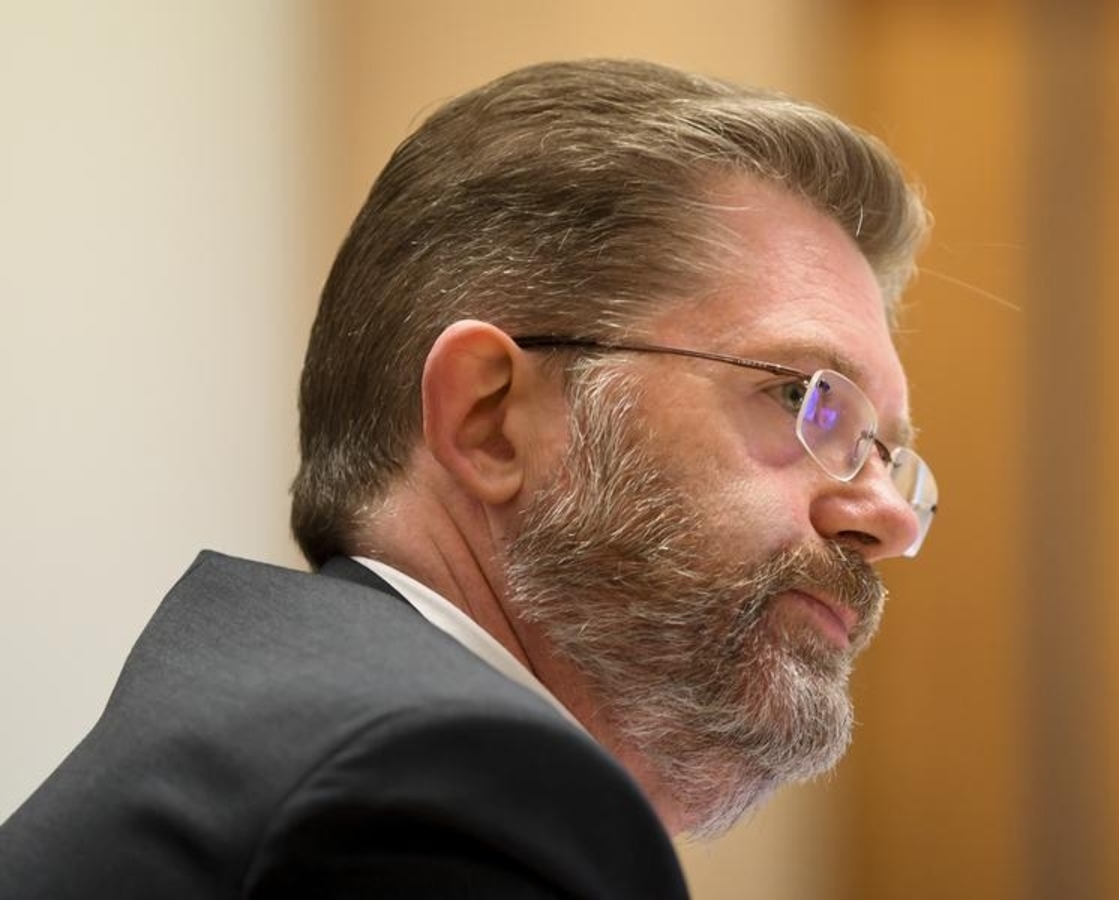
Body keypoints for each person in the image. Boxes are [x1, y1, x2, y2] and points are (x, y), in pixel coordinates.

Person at [0, 58, 936, 898]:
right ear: (489, 418)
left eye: (888, 455)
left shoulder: (302, 724)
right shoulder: (438, 793)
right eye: (803, 398)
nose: (888, 516)